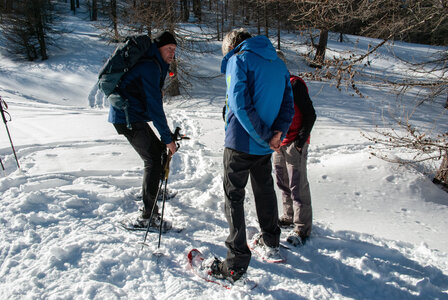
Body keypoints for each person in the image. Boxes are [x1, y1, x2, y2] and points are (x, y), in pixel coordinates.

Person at [211, 28, 294, 282]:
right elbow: (288, 104)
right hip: (265, 144)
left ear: (233, 46)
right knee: (264, 190)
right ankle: (271, 241)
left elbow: (239, 103)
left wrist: (263, 135)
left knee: (233, 197)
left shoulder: (239, 59)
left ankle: (235, 263)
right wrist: (277, 134)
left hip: (241, 142)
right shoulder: (279, 65)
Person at [108, 31, 178, 229]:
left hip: (131, 115)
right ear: (158, 48)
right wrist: (167, 138)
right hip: (127, 117)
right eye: (169, 49)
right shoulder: (150, 67)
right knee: (153, 158)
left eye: (174, 50)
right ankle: (148, 216)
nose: (172, 53)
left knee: (157, 154)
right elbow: (155, 108)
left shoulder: (155, 65)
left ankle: (154, 191)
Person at [273, 50, 316, 246]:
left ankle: (302, 227)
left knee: (298, 186)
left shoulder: (294, 84)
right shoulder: (272, 86)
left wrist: (299, 143)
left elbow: (310, 115)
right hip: (279, 143)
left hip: (295, 143)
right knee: (282, 182)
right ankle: (288, 216)